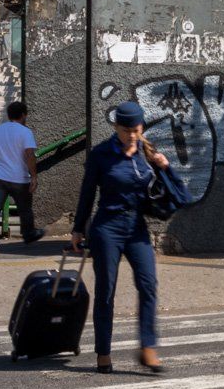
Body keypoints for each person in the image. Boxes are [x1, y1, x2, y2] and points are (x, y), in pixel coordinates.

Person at [71, 102, 190, 375]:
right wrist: (78, 229)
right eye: (127, 131)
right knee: (106, 291)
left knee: (148, 285)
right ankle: (103, 351)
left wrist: (164, 167)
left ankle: (148, 348)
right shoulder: (101, 154)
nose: (132, 136)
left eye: (137, 130)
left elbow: (171, 191)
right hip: (107, 229)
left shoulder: (146, 154)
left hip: (136, 227)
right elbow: (87, 194)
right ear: (116, 128)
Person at [0, 100, 45, 254]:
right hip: (19, 178)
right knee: (25, 209)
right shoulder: (25, 132)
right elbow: (29, 155)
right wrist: (34, 176)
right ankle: (28, 234)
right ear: (24, 115)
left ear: (8, 114)